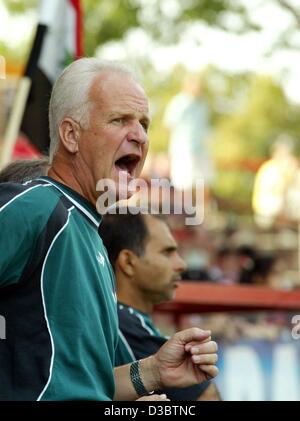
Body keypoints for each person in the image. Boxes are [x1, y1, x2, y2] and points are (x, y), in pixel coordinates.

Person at [0, 58, 218, 401]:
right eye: (119, 120)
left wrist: (153, 371)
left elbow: (87, 387)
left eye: (144, 123)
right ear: (71, 134)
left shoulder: (90, 234)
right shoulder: (37, 207)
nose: (140, 136)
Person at [99, 210, 221, 401]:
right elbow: (207, 398)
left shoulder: (113, 317)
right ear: (128, 262)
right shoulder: (123, 321)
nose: (181, 264)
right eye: (167, 252)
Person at [163, 73, 214, 191]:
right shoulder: (179, 102)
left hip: (202, 150)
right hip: (184, 150)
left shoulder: (203, 104)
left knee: (205, 182)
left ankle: (203, 209)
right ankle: (183, 209)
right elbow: (168, 125)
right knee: (183, 184)